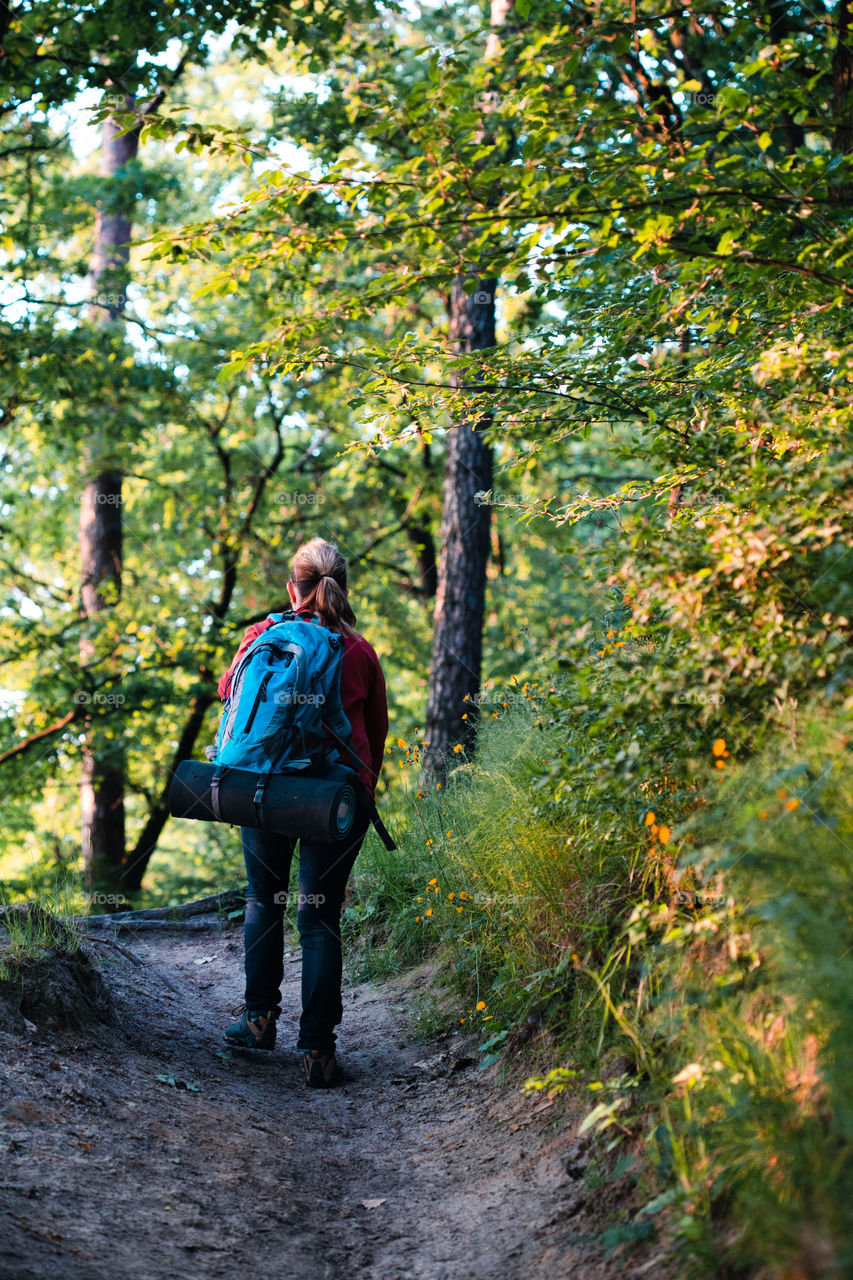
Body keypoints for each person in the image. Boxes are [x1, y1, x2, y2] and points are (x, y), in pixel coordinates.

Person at [216, 537, 389, 1087]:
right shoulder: (359, 652)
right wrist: (360, 791)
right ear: (341, 588)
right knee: (319, 918)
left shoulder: (264, 637)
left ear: (293, 588)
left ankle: (259, 1018)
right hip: (331, 798)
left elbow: (230, 696)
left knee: (263, 900)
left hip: (267, 789)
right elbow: (376, 736)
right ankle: (317, 1052)